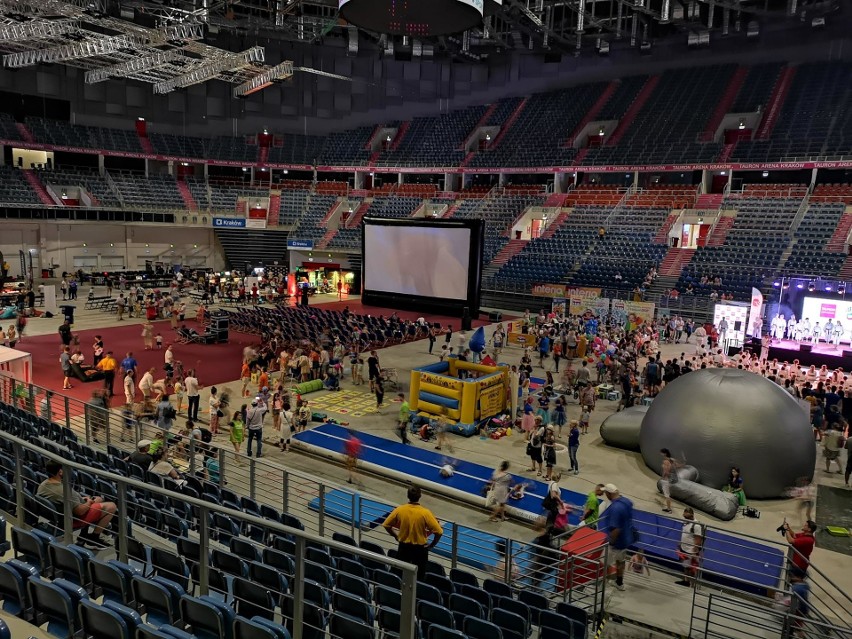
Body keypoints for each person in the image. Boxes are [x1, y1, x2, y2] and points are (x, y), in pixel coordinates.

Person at [37, 460, 117, 549]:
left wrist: (84, 500)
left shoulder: (43, 484)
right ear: (60, 472)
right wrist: (90, 502)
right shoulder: (64, 490)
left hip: (59, 516)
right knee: (111, 506)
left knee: (98, 500)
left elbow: (64, 500)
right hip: (71, 520)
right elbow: (80, 511)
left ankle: (84, 536)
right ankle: (93, 539)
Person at [382, 485, 443, 579]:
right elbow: (439, 532)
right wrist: (432, 545)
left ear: (408, 495)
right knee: (419, 577)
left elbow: (386, 525)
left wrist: (395, 535)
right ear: (420, 496)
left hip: (403, 548)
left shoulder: (400, 509)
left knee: (400, 574)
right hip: (419, 550)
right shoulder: (425, 513)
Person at [600, 484, 635, 591]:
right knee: (621, 561)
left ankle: (600, 585)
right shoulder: (627, 501)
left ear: (609, 494)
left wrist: (610, 543)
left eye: (606, 493)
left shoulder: (615, 508)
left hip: (616, 542)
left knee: (603, 562)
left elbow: (616, 529)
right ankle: (619, 583)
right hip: (626, 539)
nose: (605, 495)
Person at [676, 507, 703, 587]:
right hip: (684, 548)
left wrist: (695, 551)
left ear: (691, 515)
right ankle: (686, 581)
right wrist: (680, 543)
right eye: (684, 516)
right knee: (685, 566)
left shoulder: (696, 525)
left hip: (691, 551)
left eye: (686, 516)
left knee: (692, 569)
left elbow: (698, 539)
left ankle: (693, 585)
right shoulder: (685, 522)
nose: (685, 517)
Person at [660, 448, 677, 513]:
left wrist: (663, 477)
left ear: (664, 453)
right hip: (668, 480)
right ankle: (668, 507)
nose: (660, 454)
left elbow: (666, 471)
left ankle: (669, 509)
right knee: (667, 494)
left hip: (665, 480)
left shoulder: (666, 461)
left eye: (661, 452)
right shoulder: (671, 460)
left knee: (667, 495)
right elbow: (676, 466)